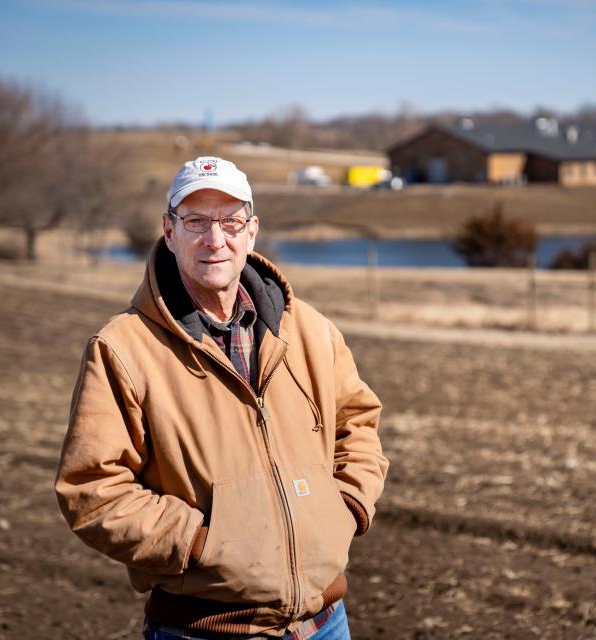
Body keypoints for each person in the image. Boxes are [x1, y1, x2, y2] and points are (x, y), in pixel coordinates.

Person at [55, 156, 388, 639]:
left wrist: (346, 506)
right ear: (169, 232)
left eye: (230, 222)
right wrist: (199, 543)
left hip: (324, 624)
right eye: (196, 222)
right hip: (203, 629)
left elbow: (358, 425)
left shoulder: (311, 331)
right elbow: (92, 489)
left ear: (251, 231)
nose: (215, 240)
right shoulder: (123, 348)